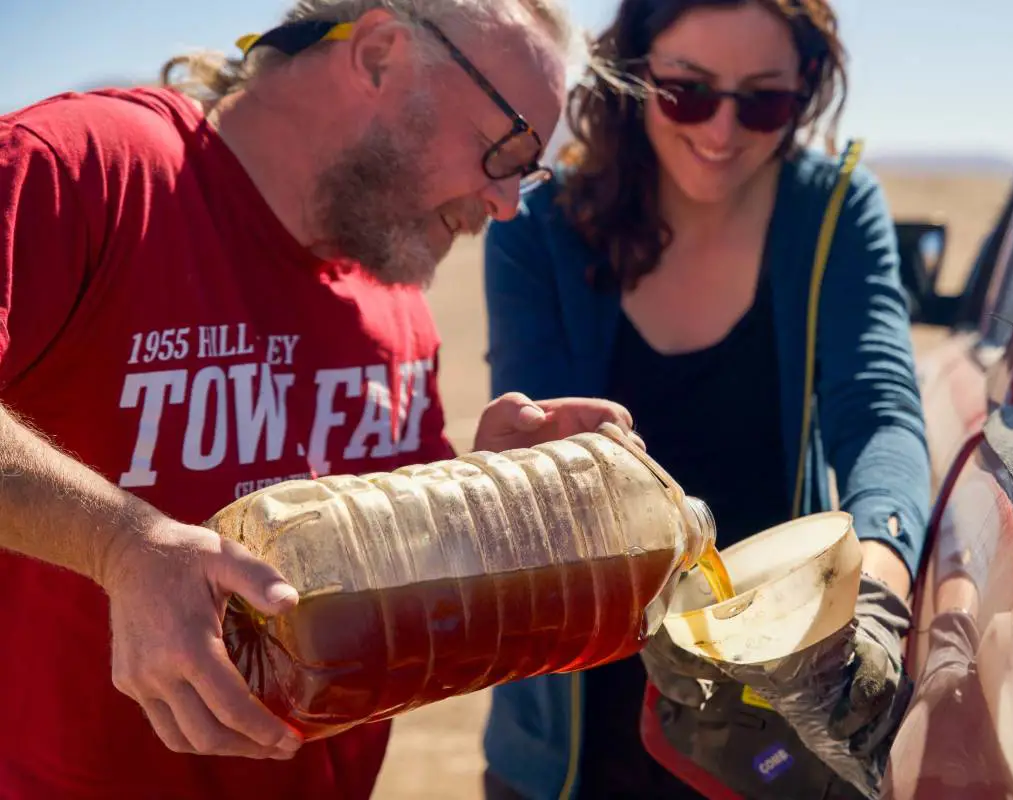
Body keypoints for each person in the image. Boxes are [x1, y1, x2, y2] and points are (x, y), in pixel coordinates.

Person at [0, 1, 640, 798]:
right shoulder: (86, 168)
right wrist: (121, 546)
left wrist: (486, 496)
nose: (508, 203)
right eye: (504, 149)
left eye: (528, 170)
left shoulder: (391, 282)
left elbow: (384, 569)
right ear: (378, 54)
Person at [480, 0, 931, 798]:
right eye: (687, 92)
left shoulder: (831, 213)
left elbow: (879, 412)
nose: (721, 133)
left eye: (762, 100)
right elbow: (536, 456)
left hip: (772, 724)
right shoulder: (539, 225)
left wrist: (875, 605)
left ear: (808, 88)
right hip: (572, 743)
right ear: (633, 76)